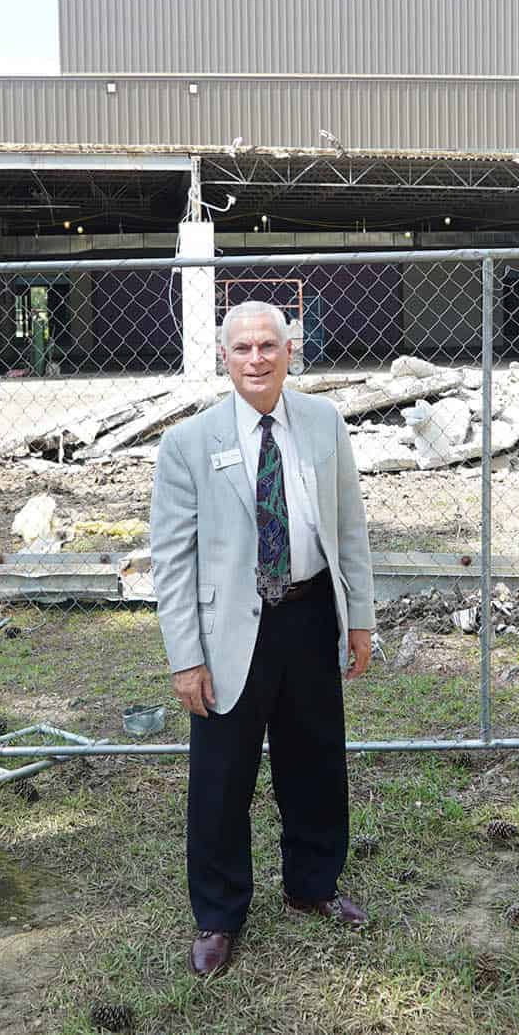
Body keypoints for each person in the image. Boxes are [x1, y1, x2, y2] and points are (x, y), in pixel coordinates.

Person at [149, 299, 375, 978]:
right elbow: (172, 559)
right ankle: (219, 916)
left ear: (289, 352)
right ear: (225, 358)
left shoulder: (324, 423)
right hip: (227, 632)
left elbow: (349, 528)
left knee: (315, 761)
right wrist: (186, 658)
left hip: (308, 616)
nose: (256, 358)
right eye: (242, 348)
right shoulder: (188, 443)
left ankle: (314, 885)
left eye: (268, 346)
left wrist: (358, 616)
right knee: (221, 778)